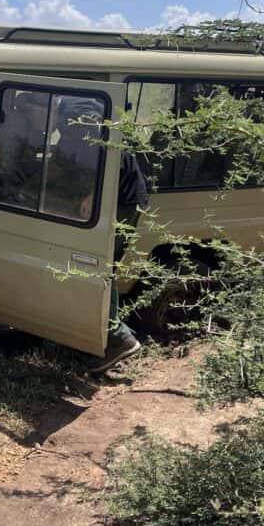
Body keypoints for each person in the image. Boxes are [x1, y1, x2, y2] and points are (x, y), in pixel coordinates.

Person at [89, 150, 149, 373]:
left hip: (121, 198)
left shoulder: (79, 114)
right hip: (125, 196)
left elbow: (104, 157)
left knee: (101, 266)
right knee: (104, 265)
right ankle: (108, 336)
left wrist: (90, 193)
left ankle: (119, 337)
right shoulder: (72, 118)